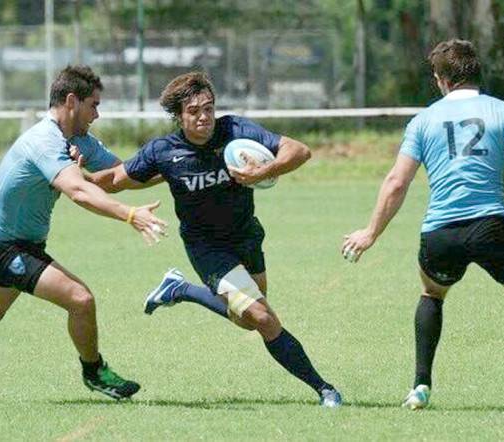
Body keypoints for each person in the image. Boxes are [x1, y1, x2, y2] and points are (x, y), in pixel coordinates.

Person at [87, 71, 342, 407]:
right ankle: (325, 389)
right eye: (194, 111)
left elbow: (299, 150)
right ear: (179, 116)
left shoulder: (234, 130)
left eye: (208, 108)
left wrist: (264, 171)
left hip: (246, 235)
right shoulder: (163, 152)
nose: (204, 117)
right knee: (263, 319)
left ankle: (180, 289)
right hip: (207, 248)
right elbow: (114, 179)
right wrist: (74, 175)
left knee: (246, 320)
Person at [342, 39, 504, 409]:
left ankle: (420, 386)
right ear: (476, 73)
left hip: (441, 234)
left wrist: (370, 232)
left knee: (433, 294)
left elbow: (396, 182)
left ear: (442, 80)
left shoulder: (423, 121)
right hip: (492, 229)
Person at [0, 65, 167, 400]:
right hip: (3, 248)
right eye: (94, 105)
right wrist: (130, 214)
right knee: (81, 299)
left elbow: (120, 175)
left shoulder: (78, 141)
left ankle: (94, 372)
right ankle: (95, 372)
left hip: (16, 244)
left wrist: (177, 167)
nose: (97, 114)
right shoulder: (44, 141)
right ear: (72, 101)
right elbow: (79, 191)